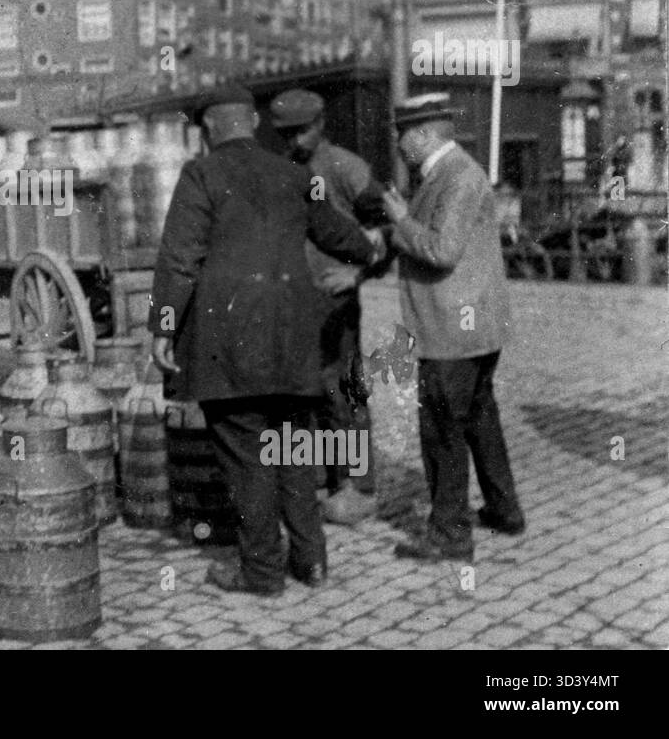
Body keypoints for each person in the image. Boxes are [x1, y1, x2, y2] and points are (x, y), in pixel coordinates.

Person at [149, 86, 382, 596]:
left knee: (245, 454)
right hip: (295, 336)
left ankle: (261, 570)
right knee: (293, 446)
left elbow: (179, 259)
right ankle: (312, 561)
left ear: (208, 129)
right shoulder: (300, 176)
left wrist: (164, 325)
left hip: (228, 338)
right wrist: (368, 252)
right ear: (254, 121)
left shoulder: (200, 175)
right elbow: (342, 235)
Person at [381, 93, 524, 563]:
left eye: (403, 135)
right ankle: (504, 510)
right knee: (480, 418)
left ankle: (449, 535)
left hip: (453, 332)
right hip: (475, 327)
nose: (399, 146)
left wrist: (401, 221)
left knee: (442, 429)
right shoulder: (449, 174)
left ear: (423, 134)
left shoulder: (459, 176)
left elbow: (443, 251)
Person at [270, 88, 388, 525]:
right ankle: (331, 480)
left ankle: (360, 488)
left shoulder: (345, 165)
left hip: (337, 303)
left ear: (320, 125)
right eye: (286, 134)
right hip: (300, 302)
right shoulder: (287, 169)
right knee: (315, 394)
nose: (295, 141)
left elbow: (388, 226)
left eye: (302, 131)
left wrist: (361, 272)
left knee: (347, 393)